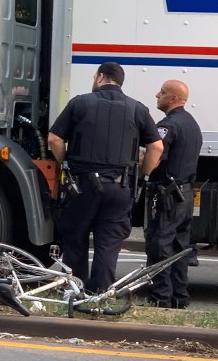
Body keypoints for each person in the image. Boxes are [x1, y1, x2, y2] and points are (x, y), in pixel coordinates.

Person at [48, 62, 164, 293]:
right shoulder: (137, 108)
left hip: (81, 186)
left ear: (100, 77)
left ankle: (75, 291)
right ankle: (99, 295)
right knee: (108, 244)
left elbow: (54, 139)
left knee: (75, 238)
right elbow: (157, 147)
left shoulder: (79, 103)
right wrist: (144, 174)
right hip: (120, 188)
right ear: (120, 81)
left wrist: (66, 164)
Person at [144, 80, 202, 309]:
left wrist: (142, 167)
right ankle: (179, 297)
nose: (157, 94)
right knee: (180, 246)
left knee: (160, 244)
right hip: (185, 194)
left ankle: (160, 298)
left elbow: (157, 154)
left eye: (163, 92)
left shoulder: (167, 126)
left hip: (168, 195)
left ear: (174, 99)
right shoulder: (191, 123)